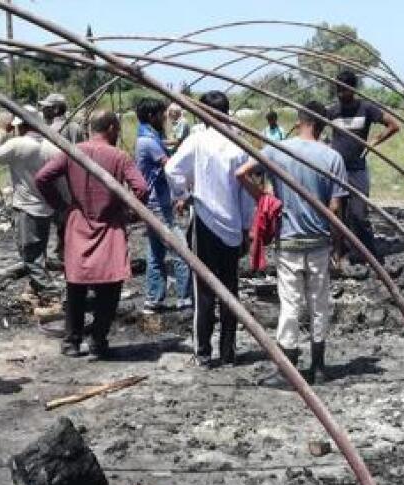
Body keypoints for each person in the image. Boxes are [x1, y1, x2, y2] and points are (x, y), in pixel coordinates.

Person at [237, 100, 348, 385]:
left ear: (299, 122)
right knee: (318, 302)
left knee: (290, 303)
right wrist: (337, 245)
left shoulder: (277, 149)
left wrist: (264, 200)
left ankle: (289, 368)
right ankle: (319, 367)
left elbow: (241, 173)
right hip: (320, 240)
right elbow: (335, 207)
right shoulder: (332, 157)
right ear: (322, 125)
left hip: (288, 239)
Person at [35, 110, 148, 360]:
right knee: (109, 288)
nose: (118, 133)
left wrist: (62, 207)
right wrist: (129, 213)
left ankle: (72, 341)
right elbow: (141, 188)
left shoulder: (71, 152)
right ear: (110, 128)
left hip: (78, 224)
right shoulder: (119, 156)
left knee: (75, 286)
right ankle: (98, 340)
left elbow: (42, 178)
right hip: (109, 226)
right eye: (117, 129)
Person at [166, 91, 255, 368]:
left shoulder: (198, 140)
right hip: (231, 226)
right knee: (230, 290)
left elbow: (171, 169)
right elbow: (246, 194)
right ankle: (228, 352)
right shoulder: (239, 144)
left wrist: (183, 192)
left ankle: (203, 353)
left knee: (203, 290)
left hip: (204, 222)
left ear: (204, 113)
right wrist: (246, 228)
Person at [0, 105, 66, 294]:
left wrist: (3, 131)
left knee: (30, 255)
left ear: (20, 125)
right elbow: (61, 182)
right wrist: (64, 207)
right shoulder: (52, 148)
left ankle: (49, 292)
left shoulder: (18, 144)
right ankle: (38, 288)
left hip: (27, 208)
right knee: (39, 250)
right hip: (46, 207)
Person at [325, 70, 399, 265]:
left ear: (353, 89)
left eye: (344, 90)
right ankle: (338, 254)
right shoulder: (332, 111)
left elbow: (393, 125)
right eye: (338, 89)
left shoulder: (366, 109)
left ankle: (371, 257)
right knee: (336, 213)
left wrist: (374, 142)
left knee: (358, 213)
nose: (341, 94)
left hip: (357, 170)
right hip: (337, 170)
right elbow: (313, 127)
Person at [134, 97, 191, 314]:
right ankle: (185, 300)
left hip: (153, 204)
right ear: (151, 116)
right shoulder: (148, 142)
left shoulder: (147, 137)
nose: (165, 118)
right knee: (182, 251)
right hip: (158, 205)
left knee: (156, 252)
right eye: (161, 114)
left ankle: (153, 299)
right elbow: (171, 167)